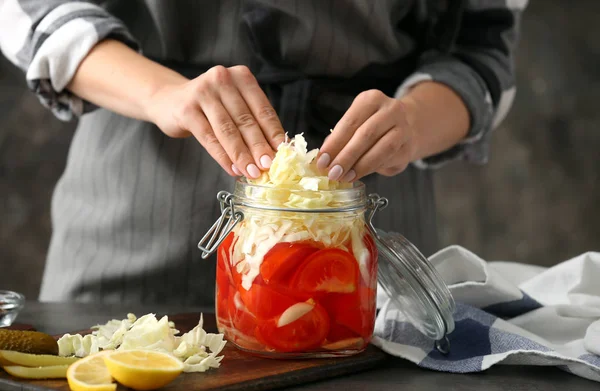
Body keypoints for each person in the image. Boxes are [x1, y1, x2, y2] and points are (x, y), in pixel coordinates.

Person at [0, 0, 527, 307]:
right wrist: (164, 95)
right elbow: (34, 11)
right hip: (133, 207)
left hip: (359, 233)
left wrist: (412, 123)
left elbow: (481, 49)